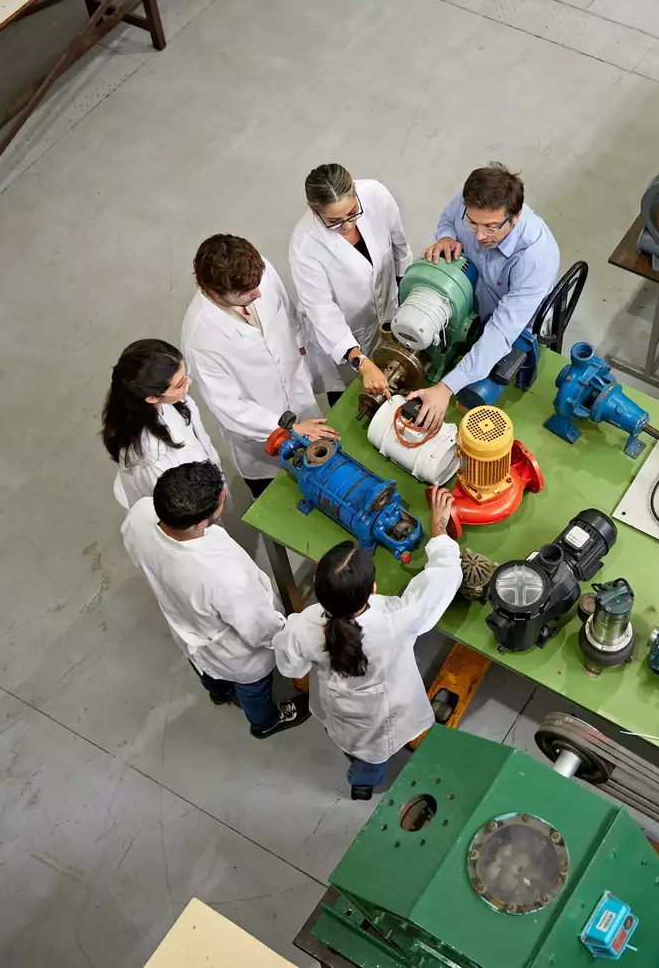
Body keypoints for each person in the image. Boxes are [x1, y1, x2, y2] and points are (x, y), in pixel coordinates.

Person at [272, 487, 461, 799]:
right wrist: (439, 533)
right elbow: (442, 579)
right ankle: (363, 786)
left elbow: (290, 664)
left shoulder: (305, 624)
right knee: (373, 758)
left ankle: (360, 783)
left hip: (339, 716)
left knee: (355, 751)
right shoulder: (396, 620)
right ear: (373, 588)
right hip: (378, 723)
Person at [121, 461, 310, 739]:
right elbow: (259, 628)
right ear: (200, 524)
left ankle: (218, 692)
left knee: (204, 666)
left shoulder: (140, 514)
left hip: (185, 624)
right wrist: (289, 638)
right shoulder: (222, 575)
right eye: (221, 502)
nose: (225, 496)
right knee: (253, 687)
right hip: (234, 652)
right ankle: (265, 722)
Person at [183, 233, 338, 499]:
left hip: (298, 395)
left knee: (327, 478)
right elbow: (229, 407)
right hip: (261, 435)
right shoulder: (200, 339)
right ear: (214, 293)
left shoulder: (257, 272)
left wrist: (299, 342)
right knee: (283, 498)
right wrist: (285, 430)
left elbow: (286, 309)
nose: (259, 292)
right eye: (246, 293)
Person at [409, 163, 560, 432]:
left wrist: (446, 388)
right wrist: (446, 237)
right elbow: (447, 218)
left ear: (516, 216)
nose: (479, 236)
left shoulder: (536, 258)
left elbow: (501, 332)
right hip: (474, 300)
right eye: (473, 224)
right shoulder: (471, 204)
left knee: (477, 390)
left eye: (491, 227)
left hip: (517, 323)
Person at [289, 164, 413, 404]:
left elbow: (400, 247)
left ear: (354, 189)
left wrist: (408, 295)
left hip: (387, 310)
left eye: (353, 212)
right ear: (313, 210)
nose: (347, 225)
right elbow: (323, 312)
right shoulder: (305, 248)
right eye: (333, 221)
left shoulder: (376, 195)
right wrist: (360, 360)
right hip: (345, 333)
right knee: (348, 396)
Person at [102, 339, 223, 510]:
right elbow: (179, 508)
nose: (188, 383)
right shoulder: (152, 458)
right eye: (180, 384)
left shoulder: (166, 401)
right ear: (152, 397)